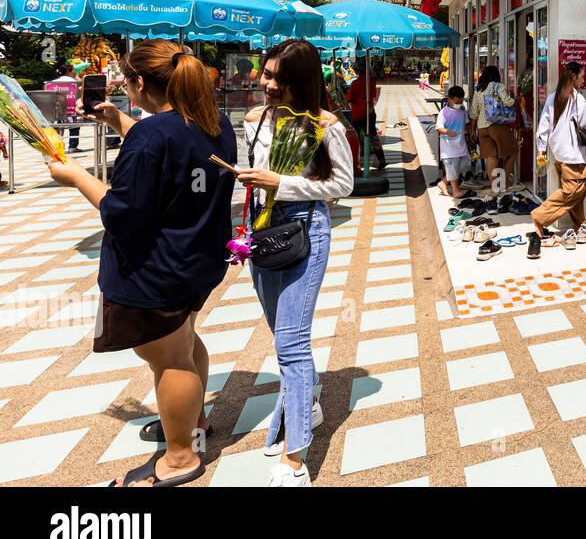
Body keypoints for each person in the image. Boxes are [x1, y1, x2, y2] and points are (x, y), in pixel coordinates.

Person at [43, 40, 236, 487]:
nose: (120, 88)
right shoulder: (212, 122)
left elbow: (120, 213)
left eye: (124, 82)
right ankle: (193, 424)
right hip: (197, 259)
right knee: (183, 341)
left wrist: (75, 176)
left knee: (168, 359)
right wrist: (118, 119)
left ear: (141, 83)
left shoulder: (153, 135)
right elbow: (168, 146)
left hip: (155, 268)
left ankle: (180, 457)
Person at [239, 39, 354, 487]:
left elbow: (342, 184)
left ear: (299, 82)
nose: (264, 83)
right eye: (264, 74)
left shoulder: (327, 126)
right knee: (280, 335)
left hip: (306, 231)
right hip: (260, 232)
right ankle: (306, 404)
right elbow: (254, 173)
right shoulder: (256, 120)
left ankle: (295, 460)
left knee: (290, 342)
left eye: (274, 78)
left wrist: (281, 183)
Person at [530, 61, 586, 257]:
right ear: (573, 77)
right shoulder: (578, 100)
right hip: (572, 154)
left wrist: (541, 149)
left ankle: (581, 226)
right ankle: (540, 217)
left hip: (559, 152)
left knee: (576, 193)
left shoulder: (553, 97)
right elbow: (585, 122)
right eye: (582, 76)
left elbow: (542, 126)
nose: (584, 79)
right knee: (574, 190)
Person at [469, 65, 518, 190]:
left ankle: (495, 186)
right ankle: (505, 182)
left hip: (481, 128)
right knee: (513, 150)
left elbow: (473, 113)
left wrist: (472, 130)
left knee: (491, 157)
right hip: (496, 125)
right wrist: (517, 100)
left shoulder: (478, 91)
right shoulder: (498, 86)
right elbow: (508, 102)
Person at [433, 85, 470, 198]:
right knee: (452, 168)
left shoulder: (462, 110)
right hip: (449, 147)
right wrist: (449, 132)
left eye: (461, 100)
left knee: (463, 164)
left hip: (461, 145)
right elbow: (439, 128)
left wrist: (468, 133)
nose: (459, 103)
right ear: (450, 99)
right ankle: (456, 191)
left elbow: (466, 123)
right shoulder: (444, 112)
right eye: (457, 101)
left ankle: (443, 183)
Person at [346, 65, 384, 170]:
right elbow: (373, 95)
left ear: (358, 71)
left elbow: (350, 99)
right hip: (370, 112)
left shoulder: (355, 83)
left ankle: (353, 161)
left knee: (354, 137)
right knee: (373, 136)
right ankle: (381, 159)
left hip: (359, 114)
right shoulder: (371, 82)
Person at [45, 63, 81, 151]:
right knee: (74, 127)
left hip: (56, 110)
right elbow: (80, 94)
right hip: (71, 109)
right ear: (68, 71)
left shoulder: (52, 83)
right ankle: (73, 146)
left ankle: (56, 147)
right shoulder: (74, 82)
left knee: (57, 128)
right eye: (73, 70)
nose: (75, 72)